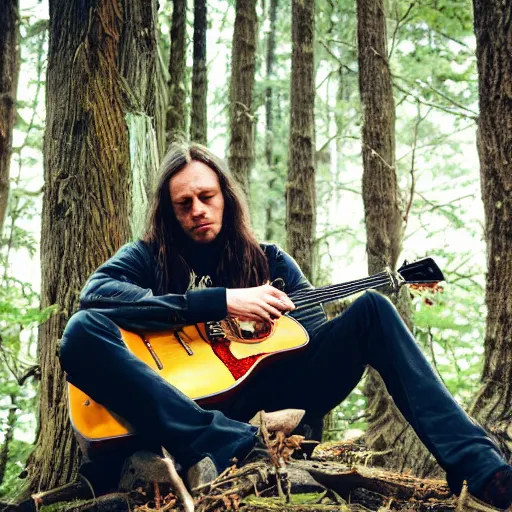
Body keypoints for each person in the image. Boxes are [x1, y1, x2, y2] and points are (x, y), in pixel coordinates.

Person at [59, 142, 512, 508]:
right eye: (184, 203)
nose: (198, 209)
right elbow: (97, 295)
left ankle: (482, 467)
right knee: (81, 330)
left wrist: (277, 322)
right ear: (169, 212)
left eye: (207, 196)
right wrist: (221, 302)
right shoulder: (146, 258)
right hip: (175, 408)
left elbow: (313, 340)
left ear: (226, 198)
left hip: (270, 396)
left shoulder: (270, 262)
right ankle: (229, 442)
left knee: (372, 308)